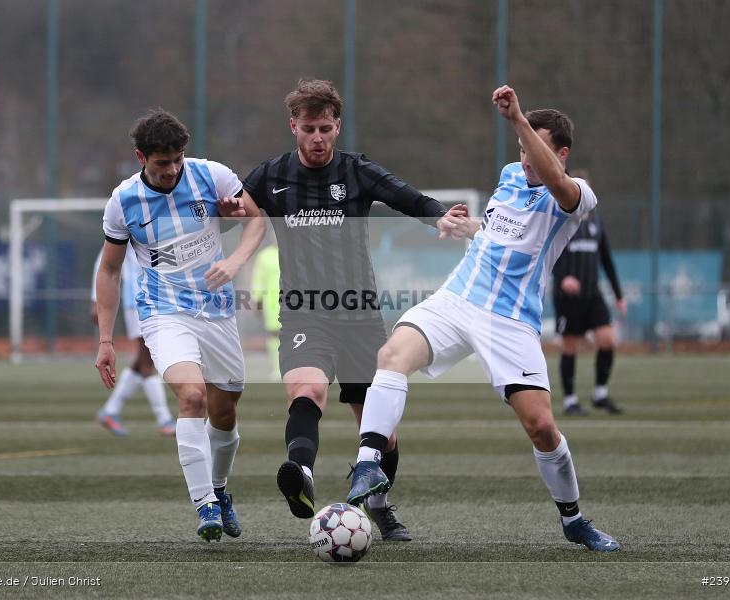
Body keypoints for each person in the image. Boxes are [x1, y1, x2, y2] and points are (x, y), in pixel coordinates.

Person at [346, 85, 620, 552]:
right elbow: (497, 235)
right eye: (521, 148)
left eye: (534, 147)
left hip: (511, 321)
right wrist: (468, 227)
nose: (525, 158)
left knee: (542, 428)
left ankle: (574, 520)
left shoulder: (576, 196)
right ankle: (368, 463)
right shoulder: (511, 175)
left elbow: (556, 184)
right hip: (457, 300)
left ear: (561, 153)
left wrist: (518, 120)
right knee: (391, 356)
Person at [241, 78, 466, 541]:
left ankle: (379, 505)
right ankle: (301, 474)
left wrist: (439, 215)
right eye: (308, 129)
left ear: (337, 126)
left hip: (360, 316)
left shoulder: (356, 171)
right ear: (293, 126)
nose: (317, 138)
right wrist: (225, 211)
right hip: (304, 312)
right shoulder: (270, 176)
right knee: (307, 390)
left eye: (325, 129)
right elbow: (233, 213)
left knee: (381, 430)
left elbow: (406, 196)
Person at [95, 108, 266, 542]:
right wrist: (105, 340)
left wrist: (234, 259)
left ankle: (220, 491)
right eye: (161, 162)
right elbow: (110, 270)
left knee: (225, 411)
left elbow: (256, 220)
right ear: (141, 157)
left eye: (177, 160)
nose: (172, 170)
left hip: (218, 311)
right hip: (164, 312)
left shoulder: (212, 175)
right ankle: (205, 504)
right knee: (192, 397)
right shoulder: (123, 201)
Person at [552, 169, 627, 416]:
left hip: (593, 294)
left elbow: (606, 259)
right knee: (570, 346)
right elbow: (547, 252)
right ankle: (570, 400)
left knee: (608, 340)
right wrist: (563, 278)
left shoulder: (596, 222)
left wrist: (618, 295)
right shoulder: (560, 219)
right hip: (568, 297)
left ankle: (600, 394)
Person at [91, 244, 176, 436]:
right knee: (147, 361)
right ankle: (164, 420)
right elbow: (104, 261)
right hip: (139, 300)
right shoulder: (131, 226)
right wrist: (96, 299)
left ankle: (110, 411)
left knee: (143, 360)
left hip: (160, 299)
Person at [250, 238, 281, 381]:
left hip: (296, 300)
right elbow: (258, 279)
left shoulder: (295, 253)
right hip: (272, 301)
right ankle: (278, 368)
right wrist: (257, 299)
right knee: (275, 334)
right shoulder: (264, 256)